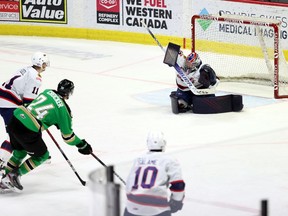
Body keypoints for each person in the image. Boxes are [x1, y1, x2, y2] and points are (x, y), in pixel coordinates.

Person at [0, 79, 92, 192]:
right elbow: (68, 137)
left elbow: (31, 104)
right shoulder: (64, 110)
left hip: (15, 118)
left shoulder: (47, 92)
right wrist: (82, 144)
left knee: (20, 152)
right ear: (69, 93)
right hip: (28, 129)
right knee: (42, 156)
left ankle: (3, 178)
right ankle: (13, 176)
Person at [0, 52, 50, 168]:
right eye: (44, 63)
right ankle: (1, 160)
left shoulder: (25, 69)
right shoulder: (35, 78)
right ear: (40, 63)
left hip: (2, 98)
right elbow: (28, 102)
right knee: (13, 135)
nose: (45, 66)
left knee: (17, 132)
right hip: (9, 104)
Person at [124, 131, 185, 216]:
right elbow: (178, 185)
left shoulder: (138, 159)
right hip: (157, 210)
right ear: (164, 143)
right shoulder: (170, 160)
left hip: (132, 209)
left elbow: (129, 184)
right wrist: (177, 202)